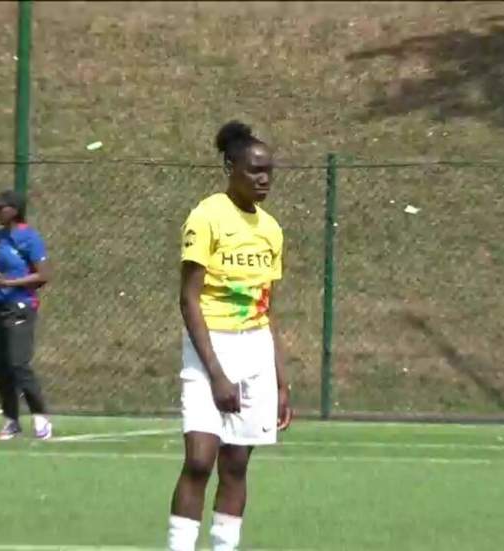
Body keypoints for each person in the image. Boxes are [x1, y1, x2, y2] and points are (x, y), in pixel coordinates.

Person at [167, 121, 293, 551]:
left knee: (236, 464)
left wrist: (281, 380)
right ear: (230, 167)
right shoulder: (206, 217)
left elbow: (266, 308)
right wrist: (217, 374)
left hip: (255, 348)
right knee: (200, 460)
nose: (263, 179)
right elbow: (189, 300)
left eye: (269, 171)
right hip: (210, 345)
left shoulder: (272, 229)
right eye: (254, 170)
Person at [0, 189, 53, 440]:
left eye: (0, 208)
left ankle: (40, 415)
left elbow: (42, 275)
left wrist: (10, 284)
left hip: (20, 305)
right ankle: (11, 419)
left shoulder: (29, 238)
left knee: (18, 363)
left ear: (13, 210)